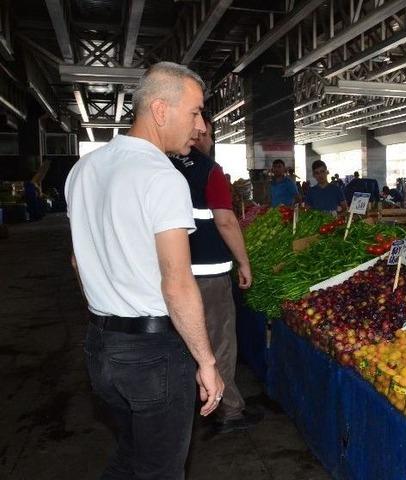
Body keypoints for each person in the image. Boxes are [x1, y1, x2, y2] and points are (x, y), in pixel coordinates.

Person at [65, 61, 224, 479]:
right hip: (152, 357)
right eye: (195, 112)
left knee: (130, 456)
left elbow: (79, 261)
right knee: (161, 470)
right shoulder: (161, 177)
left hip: (101, 348)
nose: (202, 126)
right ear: (160, 110)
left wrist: (110, 303)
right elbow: (177, 282)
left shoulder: (84, 170)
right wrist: (206, 361)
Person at [170, 113, 261, 434]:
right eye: (207, 134)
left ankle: (185, 407)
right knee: (219, 342)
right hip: (208, 277)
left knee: (182, 342)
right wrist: (244, 262)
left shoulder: (164, 167)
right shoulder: (210, 170)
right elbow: (225, 221)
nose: (207, 139)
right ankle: (229, 410)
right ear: (202, 135)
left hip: (172, 275)